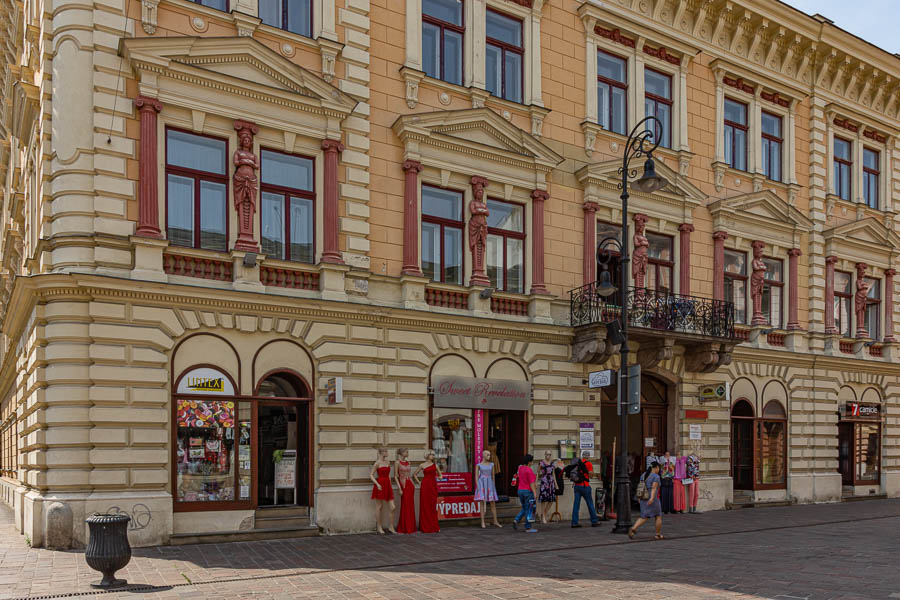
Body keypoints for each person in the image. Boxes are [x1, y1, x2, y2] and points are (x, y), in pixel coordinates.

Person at [629, 461, 663, 540]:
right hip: (653, 498)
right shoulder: (656, 476)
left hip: (643, 497)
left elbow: (640, 487)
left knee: (644, 516)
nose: (659, 470)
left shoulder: (643, 475)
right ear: (656, 468)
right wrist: (651, 498)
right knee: (658, 516)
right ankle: (657, 534)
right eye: (659, 468)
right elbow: (654, 488)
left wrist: (639, 497)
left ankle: (633, 528)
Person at [566, 451, 599, 528]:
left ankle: (574, 522)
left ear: (582, 456)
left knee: (576, 505)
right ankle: (594, 521)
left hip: (576, 486)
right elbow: (591, 475)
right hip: (585, 486)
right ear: (588, 456)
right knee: (590, 503)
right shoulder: (589, 464)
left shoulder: (577, 463)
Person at [369, 447, 395, 534]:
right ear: (381, 453)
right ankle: (379, 527)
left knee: (392, 507)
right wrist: (377, 484)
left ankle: (391, 526)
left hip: (387, 485)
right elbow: (371, 475)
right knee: (379, 506)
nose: (387, 453)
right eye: (386, 451)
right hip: (380, 484)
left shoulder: (388, 462)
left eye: (387, 451)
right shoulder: (377, 463)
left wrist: (390, 485)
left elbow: (388, 475)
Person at [415, 450, 441, 533]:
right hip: (425, 486)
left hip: (433, 486)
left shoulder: (435, 465)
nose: (433, 456)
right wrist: (419, 483)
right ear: (427, 455)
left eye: (433, 455)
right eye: (431, 455)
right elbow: (415, 475)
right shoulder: (422, 465)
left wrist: (439, 477)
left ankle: (434, 526)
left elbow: (440, 475)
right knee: (425, 506)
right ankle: (425, 527)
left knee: (433, 506)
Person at [473, 450, 502, 528]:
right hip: (481, 483)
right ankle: (482, 521)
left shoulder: (492, 464)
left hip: (489, 483)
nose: (489, 456)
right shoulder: (478, 465)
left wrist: (493, 486)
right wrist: (478, 486)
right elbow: (476, 476)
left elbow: (493, 476)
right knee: (482, 502)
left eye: (489, 455)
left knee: (492, 503)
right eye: (487, 455)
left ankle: (495, 521)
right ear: (484, 455)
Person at [512, 454, 538, 533]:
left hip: (520, 491)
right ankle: (528, 527)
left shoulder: (520, 468)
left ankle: (516, 520)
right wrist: (535, 493)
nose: (532, 463)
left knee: (525, 508)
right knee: (530, 509)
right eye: (532, 461)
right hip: (528, 491)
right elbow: (532, 483)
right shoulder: (529, 470)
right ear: (529, 462)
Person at [394, 448, 416, 534]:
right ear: (402, 453)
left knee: (410, 505)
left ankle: (411, 527)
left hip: (410, 484)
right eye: (406, 452)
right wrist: (399, 488)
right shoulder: (397, 463)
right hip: (403, 485)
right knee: (405, 505)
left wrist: (413, 484)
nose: (408, 453)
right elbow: (396, 476)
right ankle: (404, 527)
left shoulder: (408, 462)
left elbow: (410, 475)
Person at [537, 451, 557, 524]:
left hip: (551, 482)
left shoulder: (552, 464)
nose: (548, 456)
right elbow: (537, 473)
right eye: (547, 454)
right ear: (544, 454)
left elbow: (553, 474)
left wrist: (556, 484)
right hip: (544, 482)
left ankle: (544, 514)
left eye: (549, 454)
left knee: (551, 499)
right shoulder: (541, 463)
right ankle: (544, 517)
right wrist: (536, 482)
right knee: (543, 500)